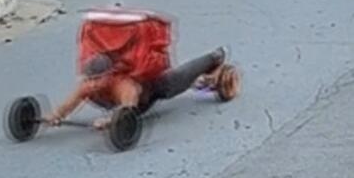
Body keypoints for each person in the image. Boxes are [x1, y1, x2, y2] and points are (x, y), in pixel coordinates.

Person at [46, 46, 234, 129]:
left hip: (151, 89)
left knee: (176, 80)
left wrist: (110, 120)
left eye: (97, 79)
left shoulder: (123, 85)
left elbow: (128, 107)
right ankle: (199, 82)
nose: (93, 84)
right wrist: (55, 116)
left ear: (108, 76)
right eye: (91, 79)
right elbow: (69, 104)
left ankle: (214, 57)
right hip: (129, 98)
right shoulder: (88, 86)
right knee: (184, 81)